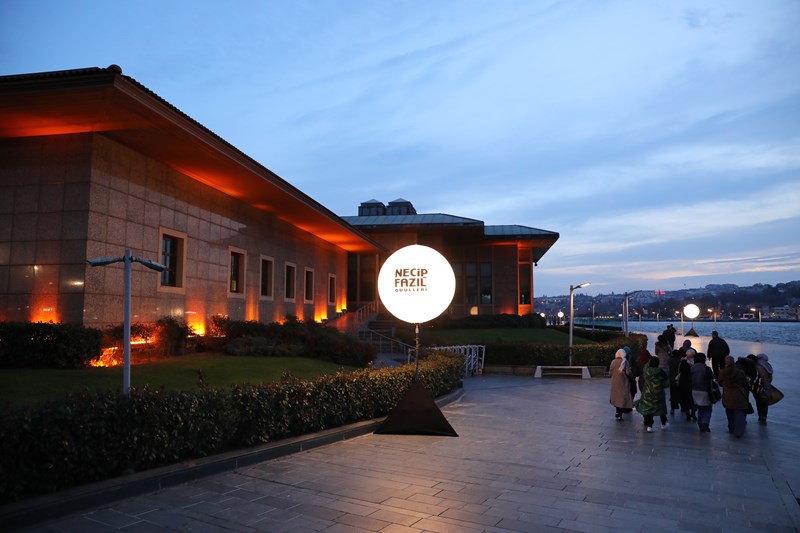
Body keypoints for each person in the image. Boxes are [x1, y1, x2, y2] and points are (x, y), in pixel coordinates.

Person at [634, 356, 669, 433]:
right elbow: (666, 382)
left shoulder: (646, 371)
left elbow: (645, 366)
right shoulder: (660, 371)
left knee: (649, 409)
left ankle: (650, 426)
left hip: (648, 393)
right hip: (659, 393)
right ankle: (663, 423)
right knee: (661, 408)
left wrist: (648, 361)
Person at [719, 355, 749, 438]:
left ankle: (731, 428)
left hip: (727, 394)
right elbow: (745, 383)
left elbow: (720, 383)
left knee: (729, 412)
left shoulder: (722, 372)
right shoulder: (740, 372)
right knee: (739, 413)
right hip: (738, 394)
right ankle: (738, 431)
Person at [690, 353, 714, 432]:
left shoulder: (692, 368)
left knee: (700, 409)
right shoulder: (707, 369)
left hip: (694, 391)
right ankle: (705, 422)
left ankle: (700, 425)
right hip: (705, 391)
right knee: (708, 408)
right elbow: (711, 379)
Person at [609, 348, 634, 421]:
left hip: (615, 383)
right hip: (624, 383)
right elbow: (628, 373)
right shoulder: (625, 362)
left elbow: (610, 373)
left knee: (617, 398)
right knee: (622, 398)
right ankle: (619, 414)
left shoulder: (613, 362)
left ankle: (618, 413)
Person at [752, 353, 774, 424]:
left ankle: (761, 416)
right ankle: (763, 417)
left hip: (756, 388)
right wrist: (768, 390)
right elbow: (768, 379)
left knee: (759, 402)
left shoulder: (756, 365)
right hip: (764, 387)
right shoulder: (768, 366)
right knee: (764, 403)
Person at [677, 348, 697, 421]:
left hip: (683, 382)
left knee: (685, 399)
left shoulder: (682, 362)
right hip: (692, 382)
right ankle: (693, 412)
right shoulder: (695, 363)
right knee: (693, 399)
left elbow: (679, 371)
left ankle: (687, 412)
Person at [668, 349, 682, 415]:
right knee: (681, 394)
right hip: (679, 380)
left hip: (672, 380)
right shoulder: (680, 361)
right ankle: (683, 407)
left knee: (672, 395)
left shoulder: (670, 360)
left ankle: (672, 409)